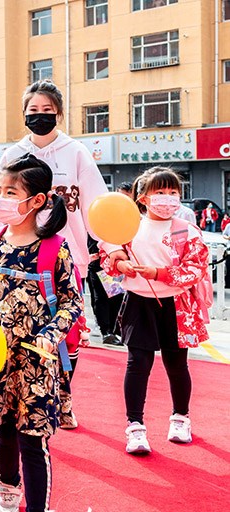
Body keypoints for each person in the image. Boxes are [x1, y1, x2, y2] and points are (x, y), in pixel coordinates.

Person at [0, 154, 81, 512]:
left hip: (37, 363)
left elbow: (72, 303)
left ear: (37, 201)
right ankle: (7, 488)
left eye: (10, 192)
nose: (0, 199)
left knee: (33, 442)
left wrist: (51, 336)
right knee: (1, 429)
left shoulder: (55, 249)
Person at [0, 80, 107, 430]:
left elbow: (96, 203)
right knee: (23, 334)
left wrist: (110, 246)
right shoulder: (13, 154)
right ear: (24, 113)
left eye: (47, 110)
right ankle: (22, 399)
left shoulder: (76, 152)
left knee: (67, 334)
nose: (39, 116)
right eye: (33, 110)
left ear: (58, 113)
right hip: (20, 260)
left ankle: (63, 395)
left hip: (67, 258)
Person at [102, 167, 210, 455]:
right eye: (160, 192)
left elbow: (195, 269)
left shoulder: (186, 230)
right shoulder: (128, 228)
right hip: (139, 303)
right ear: (143, 198)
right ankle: (135, 427)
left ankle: (181, 418)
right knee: (138, 363)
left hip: (177, 306)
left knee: (177, 364)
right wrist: (119, 263)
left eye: (173, 192)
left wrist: (159, 273)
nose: (168, 198)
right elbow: (108, 258)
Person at [86, 235, 123, 345]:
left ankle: (112, 330)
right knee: (102, 297)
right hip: (98, 262)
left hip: (113, 263)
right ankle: (106, 332)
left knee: (115, 297)